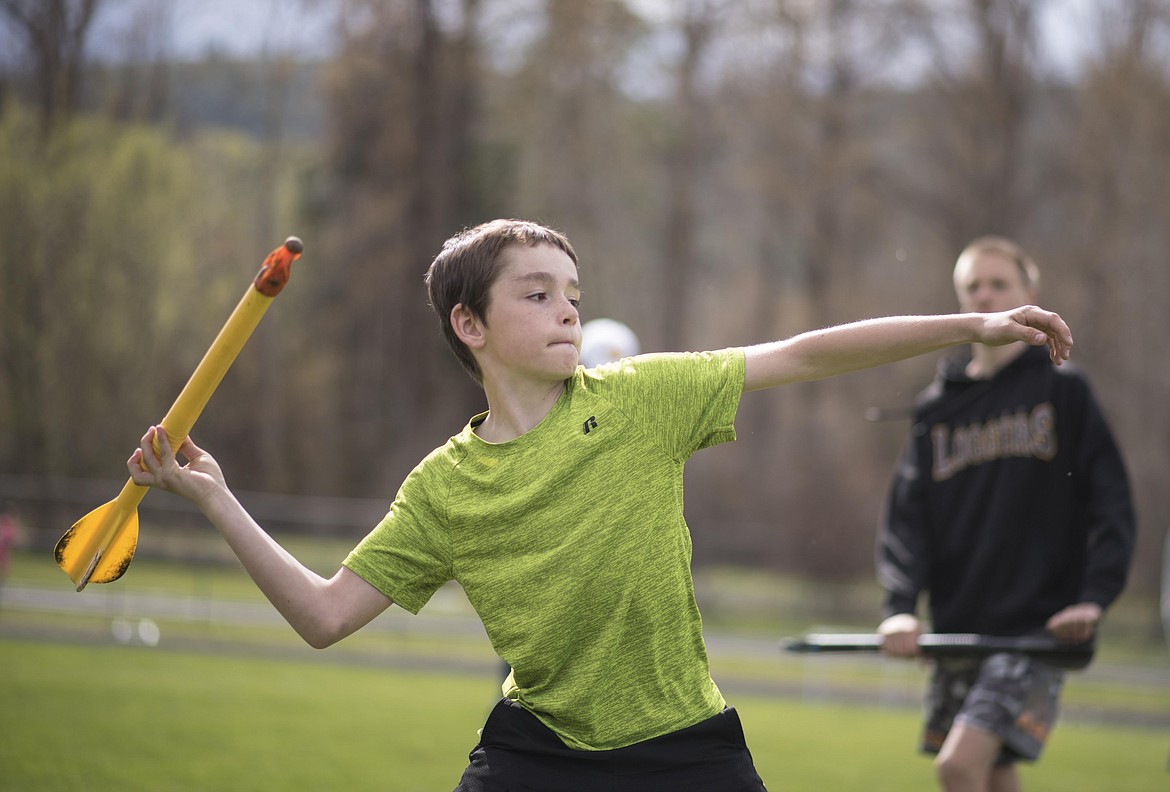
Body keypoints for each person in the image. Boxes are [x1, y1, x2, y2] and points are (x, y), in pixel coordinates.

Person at [129, 220, 1074, 791]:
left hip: (685, 750)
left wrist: (973, 325)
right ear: (470, 326)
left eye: (574, 293)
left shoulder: (641, 399)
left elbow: (807, 351)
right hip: (538, 754)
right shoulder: (445, 488)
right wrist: (217, 500)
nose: (568, 311)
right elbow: (326, 615)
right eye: (537, 295)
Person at [875, 236, 1136, 792]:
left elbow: (1112, 500)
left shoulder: (1063, 389)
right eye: (973, 287)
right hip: (960, 628)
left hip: (1034, 630)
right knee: (993, 772)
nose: (986, 296)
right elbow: (907, 519)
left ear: (1030, 295)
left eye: (1000, 285)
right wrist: (900, 607)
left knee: (959, 766)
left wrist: (1094, 596)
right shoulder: (937, 407)